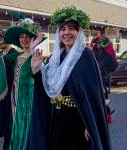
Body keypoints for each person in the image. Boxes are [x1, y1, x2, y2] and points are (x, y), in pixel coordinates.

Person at [28, 6, 111, 150]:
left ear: (79, 32)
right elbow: (47, 90)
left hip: (77, 120)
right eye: (63, 29)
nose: (66, 32)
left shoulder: (85, 56)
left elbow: (93, 95)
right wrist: (36, 71)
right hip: (56, 118)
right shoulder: (56, 58)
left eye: (71, 28)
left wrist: (89, 125)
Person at [0, 17, 45, 150]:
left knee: (28, 135)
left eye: (27, 36)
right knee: (14, 134)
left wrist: (32, 49)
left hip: (30, 103)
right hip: (14, 102)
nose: (24, 39)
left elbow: (40, 77)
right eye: (21, 36)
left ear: (33, 38)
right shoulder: (15, 56)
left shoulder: (37, 55)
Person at [91, 35, 118, 123]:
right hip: (94, 77)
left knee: (103, 98)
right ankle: (103, 115)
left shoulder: (107, 51)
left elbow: (113, 65)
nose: (97, 44)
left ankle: (107, 115)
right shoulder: (94, 51)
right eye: (96, 43)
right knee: (96, 98)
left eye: (99, 42)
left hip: (103, 78)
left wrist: (102, 67)